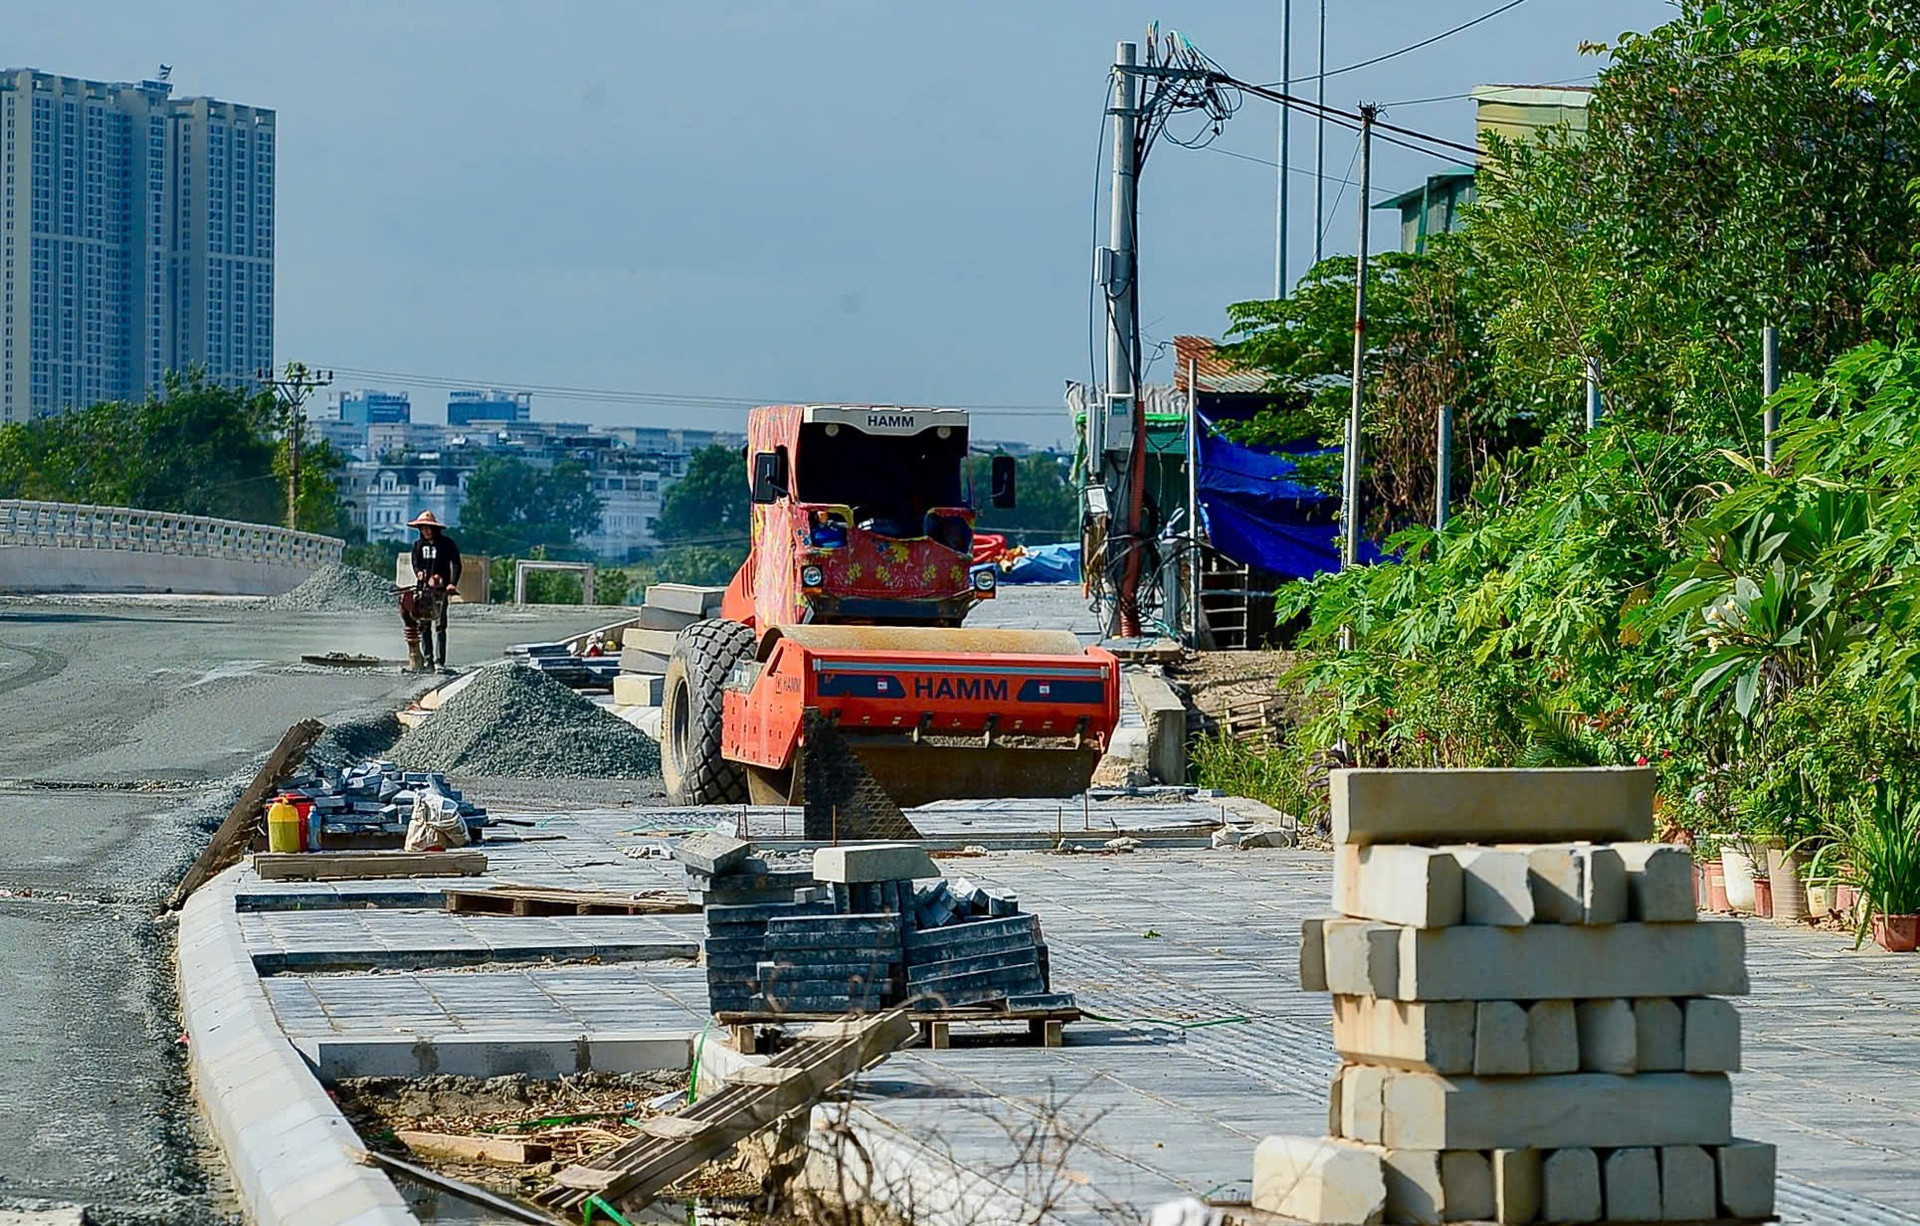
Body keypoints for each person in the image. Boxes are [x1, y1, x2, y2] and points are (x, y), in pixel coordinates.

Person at [401, 511, 463, 671]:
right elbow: (415, 563)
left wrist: (452, 583)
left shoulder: (447, 544)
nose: (426, 531)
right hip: (424, 591)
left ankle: (440, 661)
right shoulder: (418, 545)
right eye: (422, 528)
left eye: (428, 528)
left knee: (440, 624)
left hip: (441, 590)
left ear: (434, 528)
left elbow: (456, 563)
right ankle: (428, 661)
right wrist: (419, 573)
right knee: (424, 625)